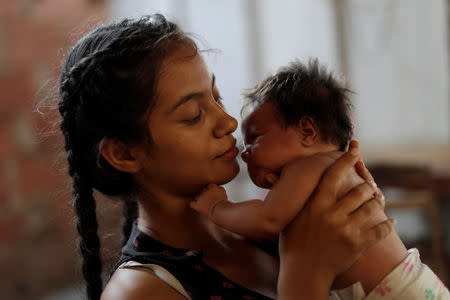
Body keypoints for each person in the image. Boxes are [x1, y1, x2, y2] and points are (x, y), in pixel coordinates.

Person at [57, 14, 395, 300]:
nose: (228, 122)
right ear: (124, 153)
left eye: (216, 97)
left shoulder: (260, 227)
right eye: (192, 115)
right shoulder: (141, 291)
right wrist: (307, 273)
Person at [190, 60, 450, 299]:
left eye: (256, 137)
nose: (245, 152)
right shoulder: (329, 169)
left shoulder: (309, 167)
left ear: (307, 131)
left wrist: (217, 208)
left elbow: (267, 219)